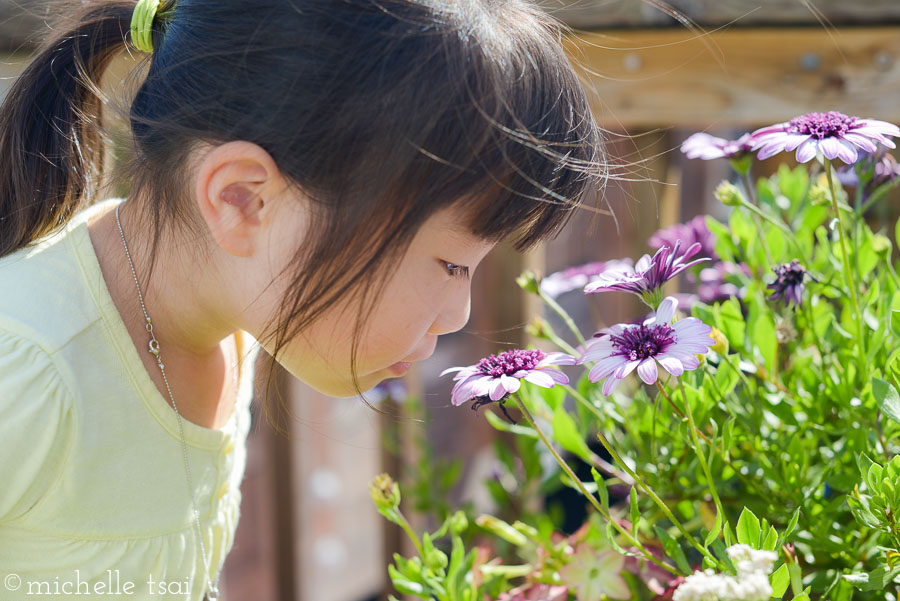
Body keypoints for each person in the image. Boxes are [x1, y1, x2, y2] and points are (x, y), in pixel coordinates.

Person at [0, 0, 604, 598]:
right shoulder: (29, 367)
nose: (460, 314)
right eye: (450, 264)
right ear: (243, 200)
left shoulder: (224, 327)